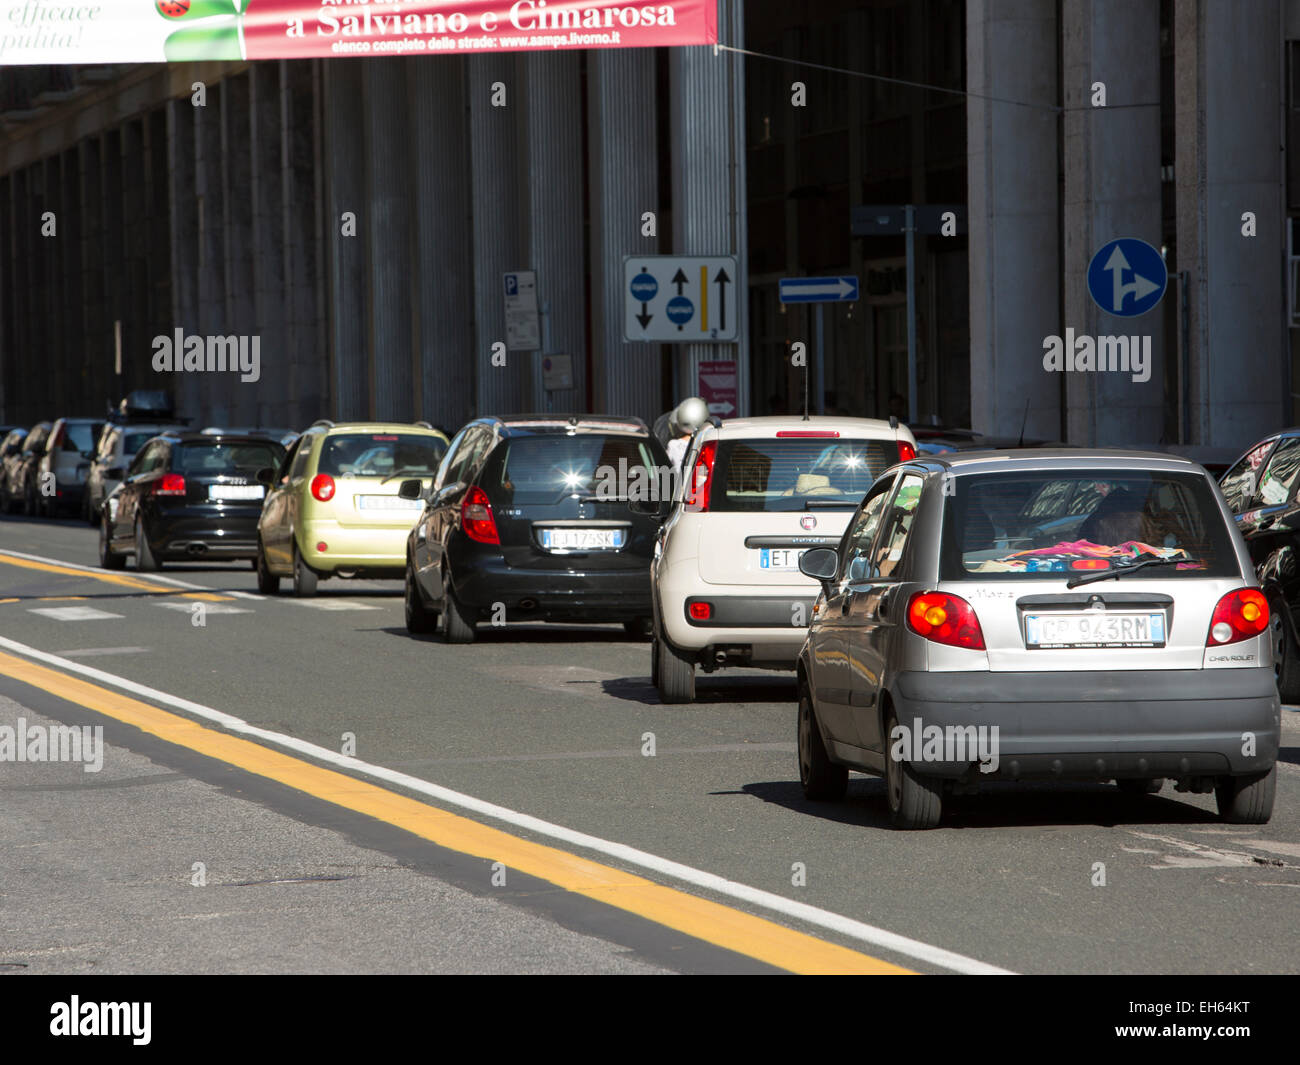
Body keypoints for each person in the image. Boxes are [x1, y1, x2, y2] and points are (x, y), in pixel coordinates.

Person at [666, 396, 709, 474]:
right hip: (699, 485)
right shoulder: (707, 445)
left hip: (678, 485)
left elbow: (664, 469)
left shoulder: (673, 445)